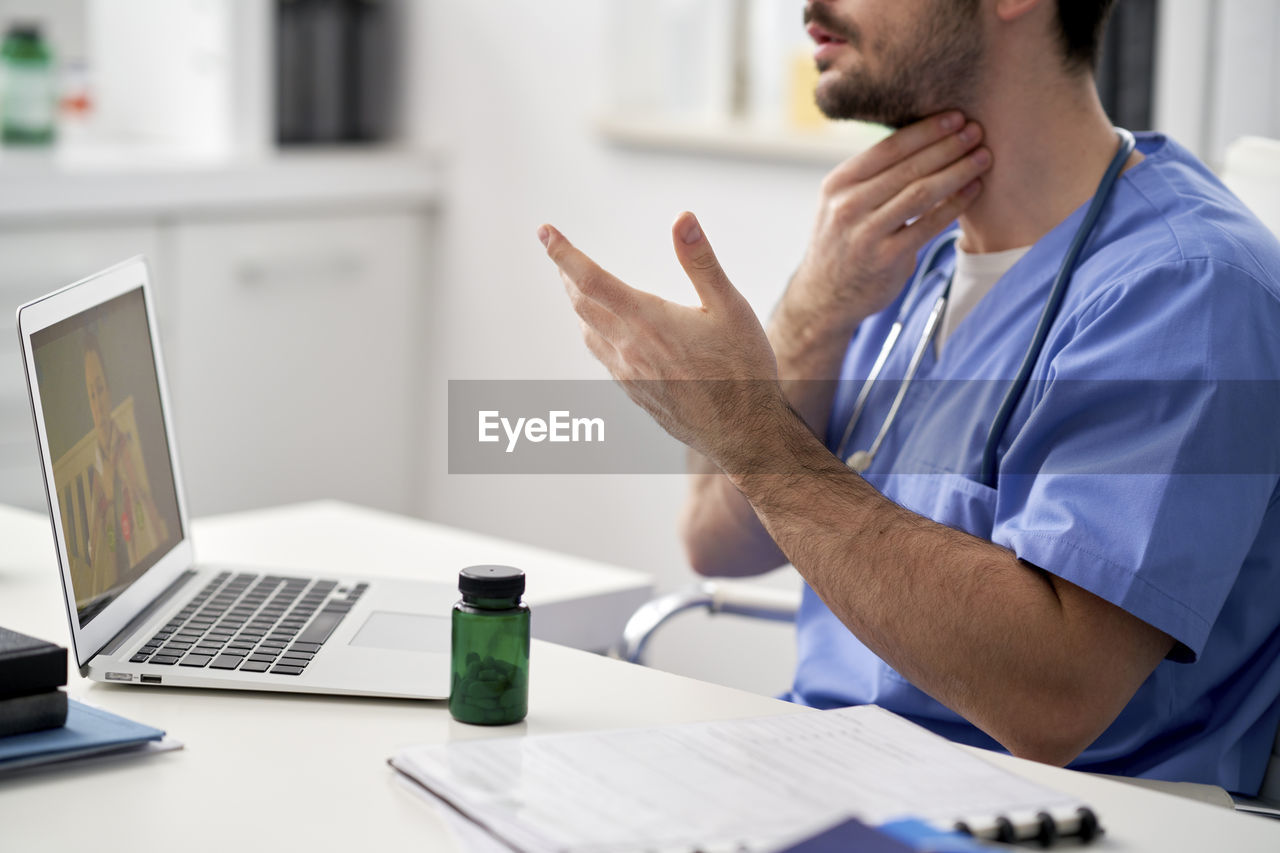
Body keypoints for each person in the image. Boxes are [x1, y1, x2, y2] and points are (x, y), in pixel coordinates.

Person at [537, 0, 1280, 795]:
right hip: (821, 780)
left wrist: (752, 431)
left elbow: (1053, 699)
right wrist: (813, 310)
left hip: (1050, 815)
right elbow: (719, 542)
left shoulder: (1187, 290)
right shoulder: (896, 255)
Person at [79, 330, 169, 605]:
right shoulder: (95, 468)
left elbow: (148, 511)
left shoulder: (126, 446)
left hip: (147, 580)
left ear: (109, 388)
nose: (98, 402)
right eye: (91, 395)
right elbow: (94, 557)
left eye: (101, 389)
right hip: (115, 596)